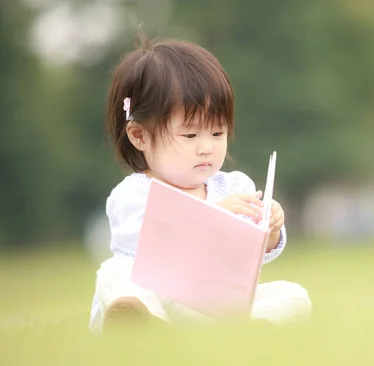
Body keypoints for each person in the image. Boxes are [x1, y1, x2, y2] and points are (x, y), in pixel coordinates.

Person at [88, 35, 312, 333]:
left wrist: (268, 229)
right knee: (114, 271)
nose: (206, 147)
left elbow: (253, 258)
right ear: (139, 136)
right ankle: (139, 326)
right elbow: (147, 248)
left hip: (209, 306)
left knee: (294, 296)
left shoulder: (234, 186)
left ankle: (245, 329)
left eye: (217, 134)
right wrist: (214, 220)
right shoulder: (134, 193)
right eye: (190, 136)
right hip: (156, 298)